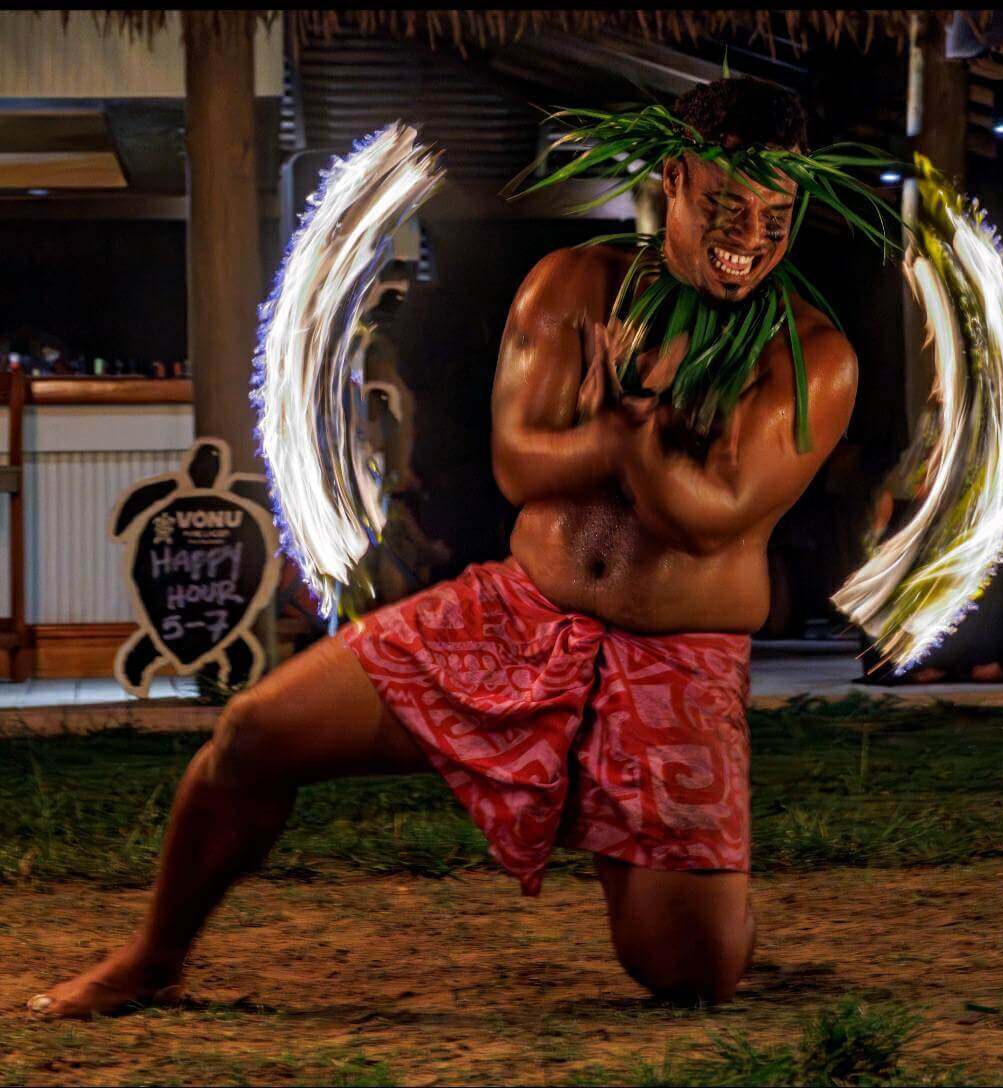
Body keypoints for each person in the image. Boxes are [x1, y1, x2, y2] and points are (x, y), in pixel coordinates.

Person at [29, 78, 859, 1018]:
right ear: (674, 177)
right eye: (726, 205)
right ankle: (150, 961)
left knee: (687, 973)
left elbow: (709, 516)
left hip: (675, 660)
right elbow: (519, 461)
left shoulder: (811, 356)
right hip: (521, 617)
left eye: (775, 216)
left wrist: (623, 430)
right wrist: (636, 435)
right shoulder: (572, 285)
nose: (750, 238)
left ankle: (712, 902)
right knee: (254, 733)